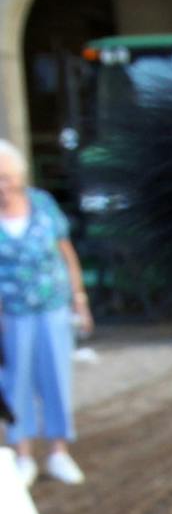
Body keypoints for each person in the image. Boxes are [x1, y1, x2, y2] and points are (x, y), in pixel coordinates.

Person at [0, 137, 92, 487]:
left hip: (53, 307)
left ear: (19, 176)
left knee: (56, 378)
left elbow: (66, 253)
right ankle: (22, 455)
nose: (2, 186)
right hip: (10, 314)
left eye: (6, 177)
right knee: (14, 383)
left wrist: (79, 298)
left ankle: (59, 452)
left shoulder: (42, 204)